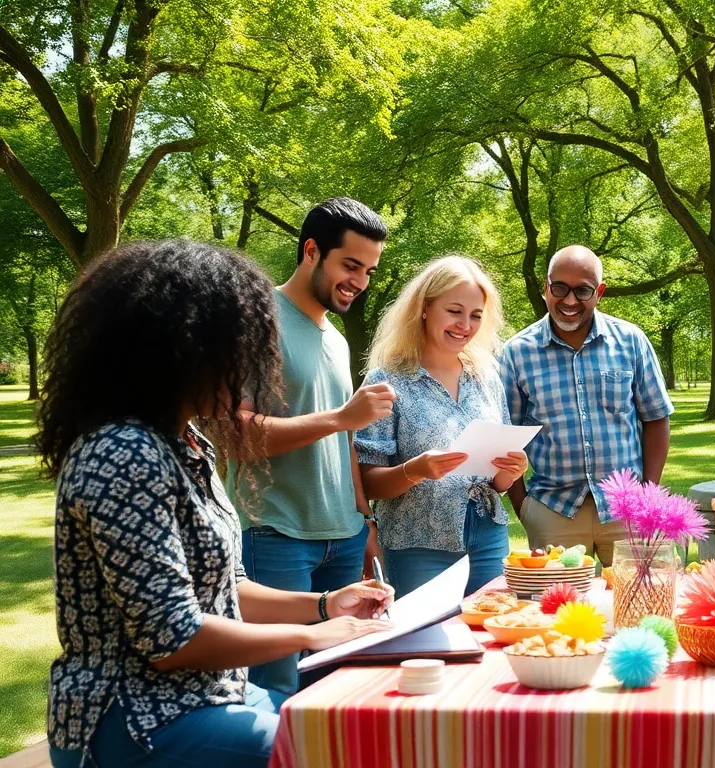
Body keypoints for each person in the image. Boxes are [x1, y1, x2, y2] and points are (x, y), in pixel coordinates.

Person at [37, 241, 393, 768]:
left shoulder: (186, 445)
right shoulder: (122, 453)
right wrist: (312, 634)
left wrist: (326, 603)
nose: (253, 367)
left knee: (344, 720)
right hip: (132, 719)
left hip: (210, 696)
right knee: (341, 748)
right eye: (239, 350)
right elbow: (173, 637)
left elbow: (232, 590)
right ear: (181, 351)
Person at [225, 197, 393, 695]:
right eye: (350, 265)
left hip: (343, 537)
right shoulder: (254, 320)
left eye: (368, 270)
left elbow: (346, 443)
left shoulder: (337, 339)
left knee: (340, 683)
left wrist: (365, 522)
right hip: (275, 534)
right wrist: (341, 417)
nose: (360, 281)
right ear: (311, 251)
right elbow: (235, 436)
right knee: (276, 685)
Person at [355, 256, 527, 596]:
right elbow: (367, 483)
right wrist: (415, 470)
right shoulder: (386, 381)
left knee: (487, 637)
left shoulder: (487, 376)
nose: (465, 324)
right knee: (427, 645)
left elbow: (497, 482)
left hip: (488, 536)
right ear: (425, 308)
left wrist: (511, 470)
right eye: (454, 311)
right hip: (416, 542)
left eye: (476, 315)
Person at [500, 245, 674, 567]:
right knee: (553, 614)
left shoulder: (631, 341)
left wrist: (648, 495)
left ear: (600, 293)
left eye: (582, 290)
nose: (569, 301)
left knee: (643, 609)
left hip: (628, 510)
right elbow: (505, 437)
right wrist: (525, 508)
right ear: (545, 287)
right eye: (559, 288)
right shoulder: (515, 354)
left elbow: (656, 418)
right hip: (553, 509)